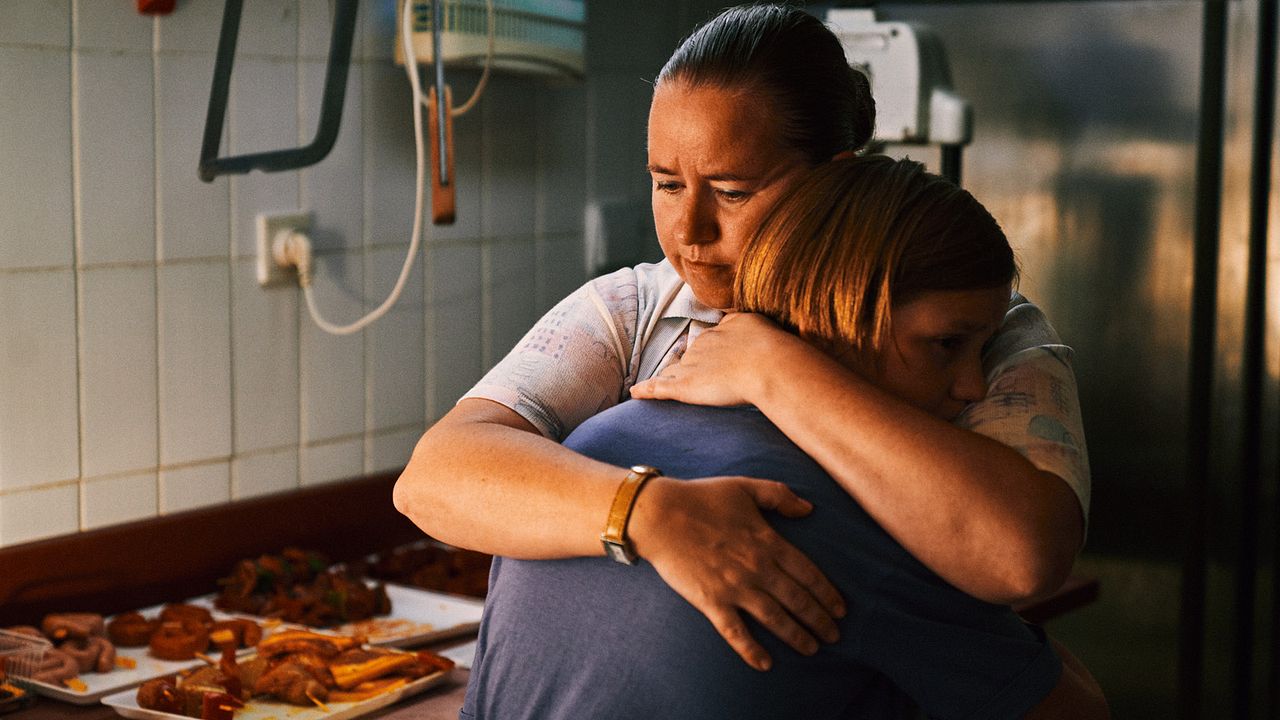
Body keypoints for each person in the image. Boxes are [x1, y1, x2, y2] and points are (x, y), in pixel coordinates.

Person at [395, 4, 1089, 672]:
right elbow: (434, 478)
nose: (689, 231)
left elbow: (1021, 558)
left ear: (836, 180)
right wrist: (650, 513)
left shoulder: (972, 330)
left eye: (731, 192)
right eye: (667, 184)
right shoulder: (633, 309)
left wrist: (773, 369)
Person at [460, 155, 1108, 720]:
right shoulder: (837, 509)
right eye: (947, 345)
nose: (972, 386)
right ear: (844, 309)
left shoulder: (582, 447)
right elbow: (1072, 711)